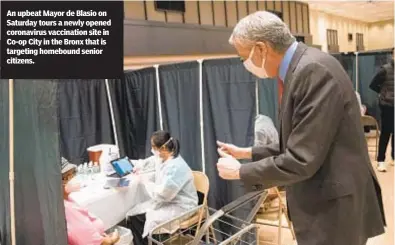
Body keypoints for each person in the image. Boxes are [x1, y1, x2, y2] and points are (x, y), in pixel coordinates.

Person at [216, 11, 385, 245]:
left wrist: (239, 172)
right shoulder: (303, 66)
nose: (245, 64)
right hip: (330, 197)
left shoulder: (312, 71)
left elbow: (301, 158)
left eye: (243, 57)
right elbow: (303, 140)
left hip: (334, 208)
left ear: (261, 48)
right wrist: (248, 153)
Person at [126, 130, 198, 245]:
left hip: (182, 206)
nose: (152, 150)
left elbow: (162, 195)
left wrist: (145, 181)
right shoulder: (163, 158)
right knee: (133, 214)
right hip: (169, 202)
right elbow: (148, 162)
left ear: (163, 148)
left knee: (148, 220)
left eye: (153, 147)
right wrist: (135, 166)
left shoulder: (176, 167)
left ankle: (155, 242)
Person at [62, 160, 120, 245]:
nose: (71, 178)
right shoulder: (66, 209)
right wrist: (110, 240)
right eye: (66, 177)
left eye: (72, 174)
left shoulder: (66, 200)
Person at [369, 51, 394, 172]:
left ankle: (394, 157)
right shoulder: (384, 70)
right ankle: (381, 161)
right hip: (387, 105)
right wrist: (383, 93)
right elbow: (372, 85)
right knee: (386, 133)